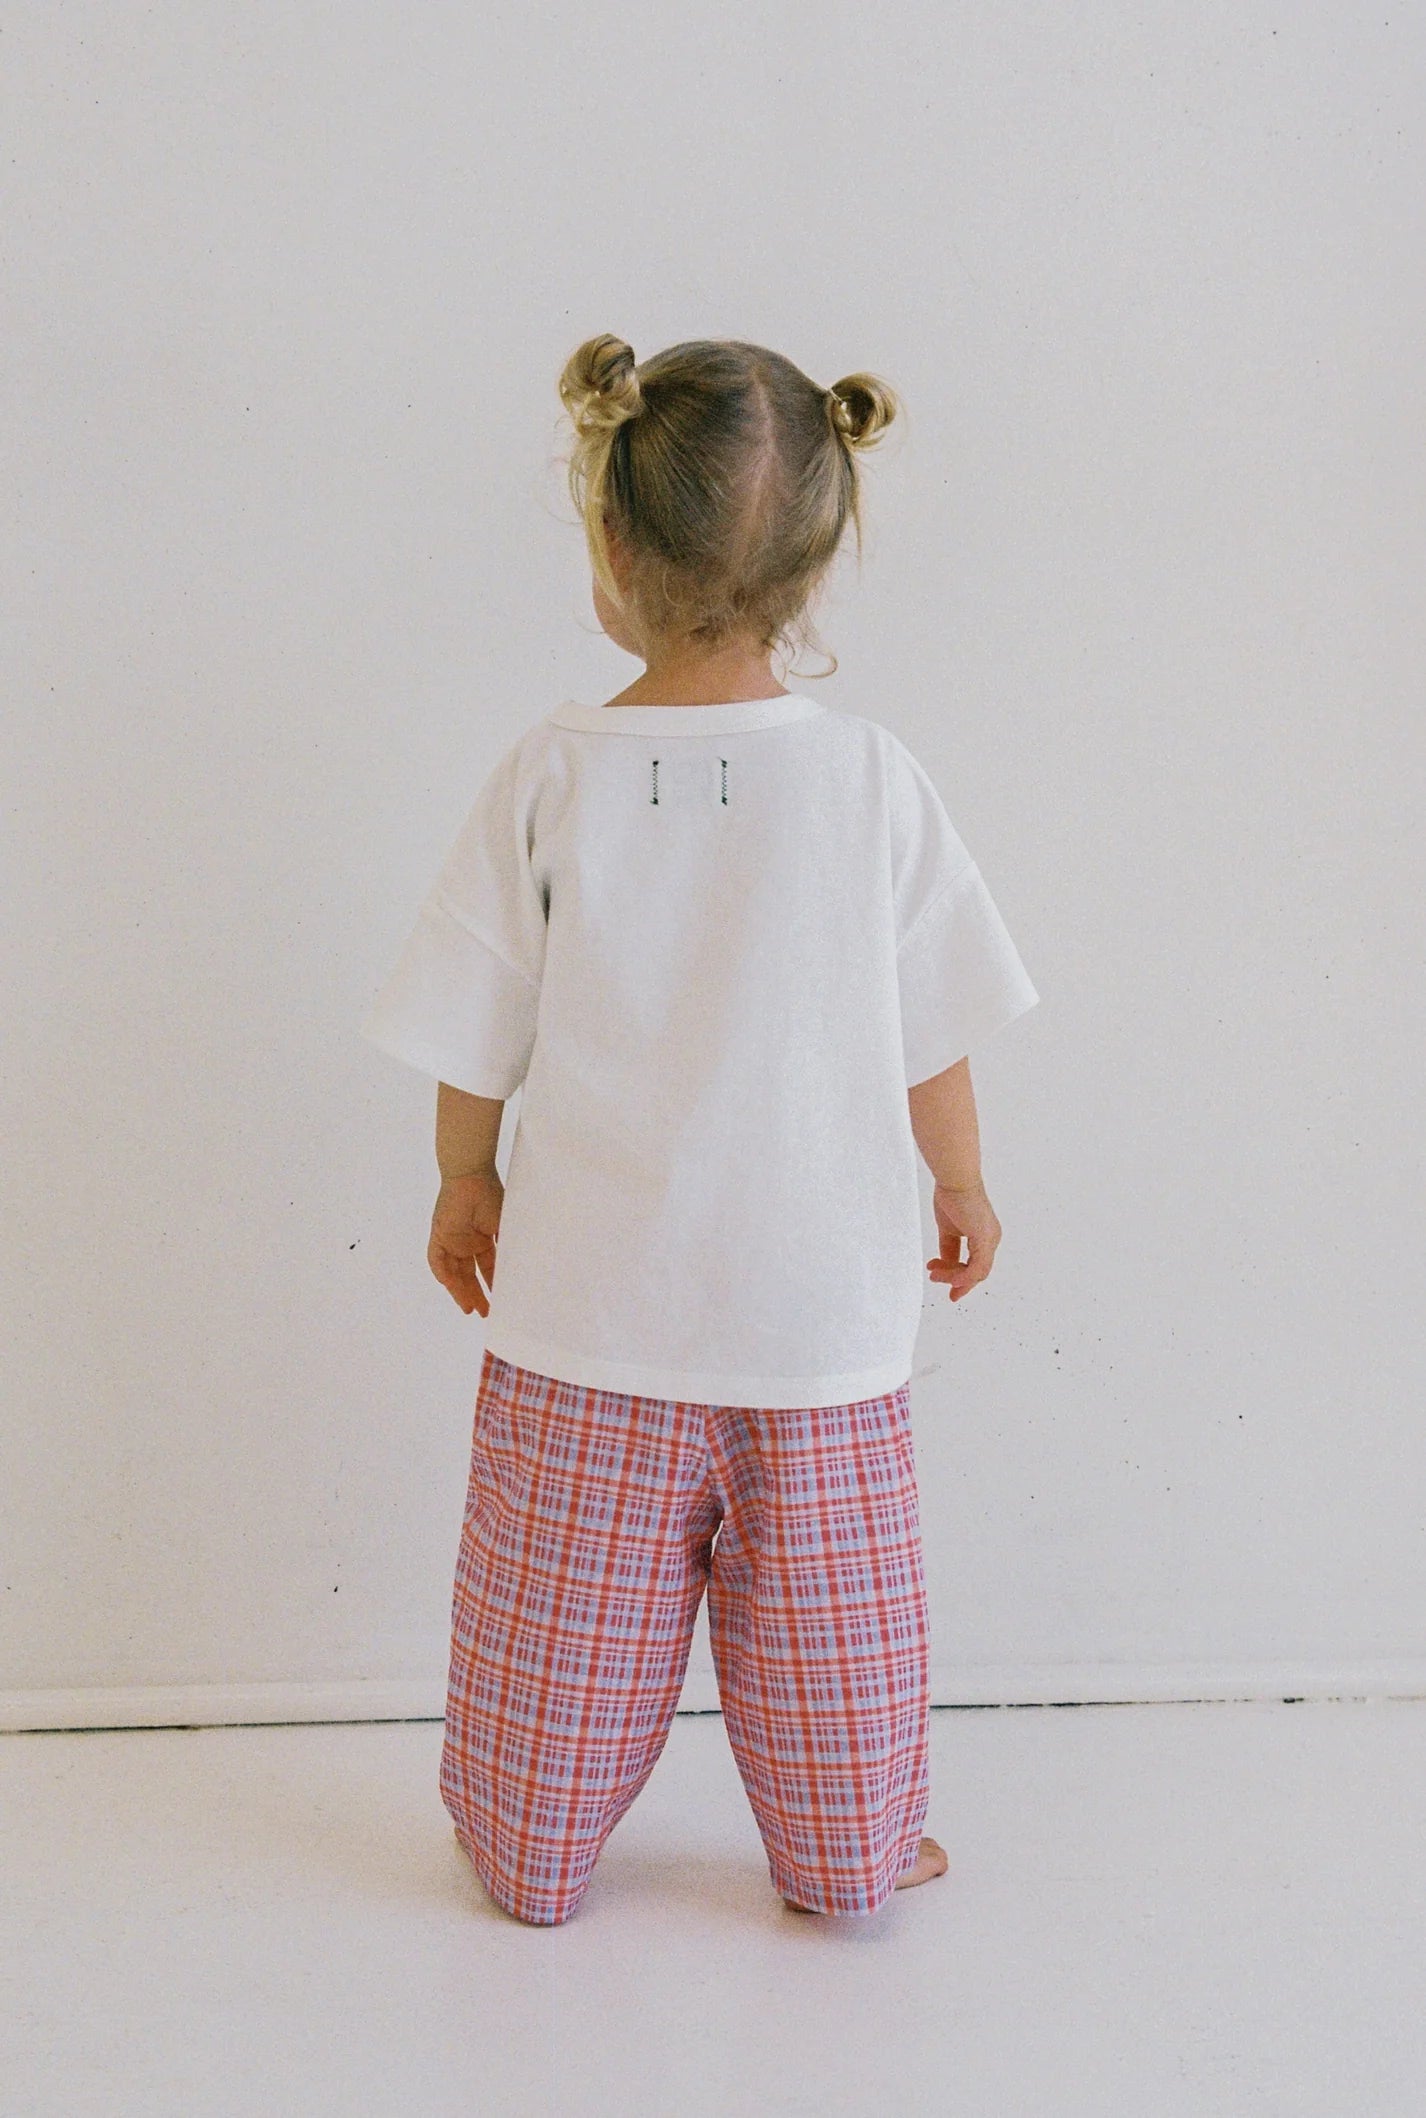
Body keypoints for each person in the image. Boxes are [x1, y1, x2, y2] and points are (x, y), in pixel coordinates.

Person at [360, 333, 1040, 1926]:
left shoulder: (551, 774)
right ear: (820, 558)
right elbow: (929, 1020)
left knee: (555, 1615)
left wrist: (465, 1177)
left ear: (606, 540)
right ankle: (849, 1850)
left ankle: (529, 1846)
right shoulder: (873, 780)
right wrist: (963, 1177)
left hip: (590, 1313)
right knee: (833, 1624)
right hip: (814, 1323)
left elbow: (481, 1015)